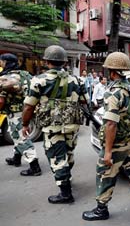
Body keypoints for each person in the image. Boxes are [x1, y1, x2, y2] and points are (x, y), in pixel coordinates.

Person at [82, 52, 130, 221]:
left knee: (105, 172)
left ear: (113, 72)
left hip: (118, 143)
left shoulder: (114, 93)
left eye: (109, 70)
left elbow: (111, 124)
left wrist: (108, 151)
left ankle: (101, 209)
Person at [22, 45, 89, 204]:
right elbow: (86, 102)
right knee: (69, 153)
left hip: (53, 126)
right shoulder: (77, 79)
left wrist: (25, 124)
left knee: (57, 157)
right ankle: (67, 177)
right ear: (65, 62)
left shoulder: (39, 80)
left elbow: (29, 106)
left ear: (46, 61)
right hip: (72, 125)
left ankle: (66, 194)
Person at [1, 53, 42, 176]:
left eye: (1, 61)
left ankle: (34, 166)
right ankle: (16, 158)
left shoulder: (7, 78)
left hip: (16, 111)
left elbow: (1, 100)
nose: (0, 63)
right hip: (28, 109)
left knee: (21, 138)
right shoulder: (25, 74)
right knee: (16, 135)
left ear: (6, 62)